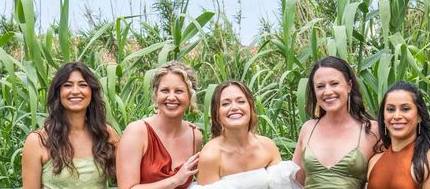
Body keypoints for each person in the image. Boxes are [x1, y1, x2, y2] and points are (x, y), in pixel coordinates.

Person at [22, 61, 120, 189]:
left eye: (83, 85)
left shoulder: (106, 134)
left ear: (92, 92)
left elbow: (128, 180)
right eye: (67, 85)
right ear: (58, 93)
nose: (75, 91)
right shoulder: (37, 141)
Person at [192, 80, 298, 188]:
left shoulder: (267, 146)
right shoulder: (211, 155)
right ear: (217, 114)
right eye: (225, 103)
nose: (234, 107)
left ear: (251, 108)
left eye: (241, 101)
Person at [292, 56, 379, 189]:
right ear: (314, 92)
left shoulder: (372, 129)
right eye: (320, 86)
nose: (327, 92)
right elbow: (296, 182)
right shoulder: (308, 129)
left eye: (334, 83)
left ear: (349, 86)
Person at [117, 61, 203, 189]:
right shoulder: (136, 132)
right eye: (165, 90)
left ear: (190, 96)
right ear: (156, 95)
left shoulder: (195, 135)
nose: (171, 97)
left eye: (179, 91)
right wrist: (175, 180)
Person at [368, 81, 430, 189]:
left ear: (419, 116)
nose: (397, 116)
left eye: (405, 109)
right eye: (390, 109)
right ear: (383, 117)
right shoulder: (374, 161)